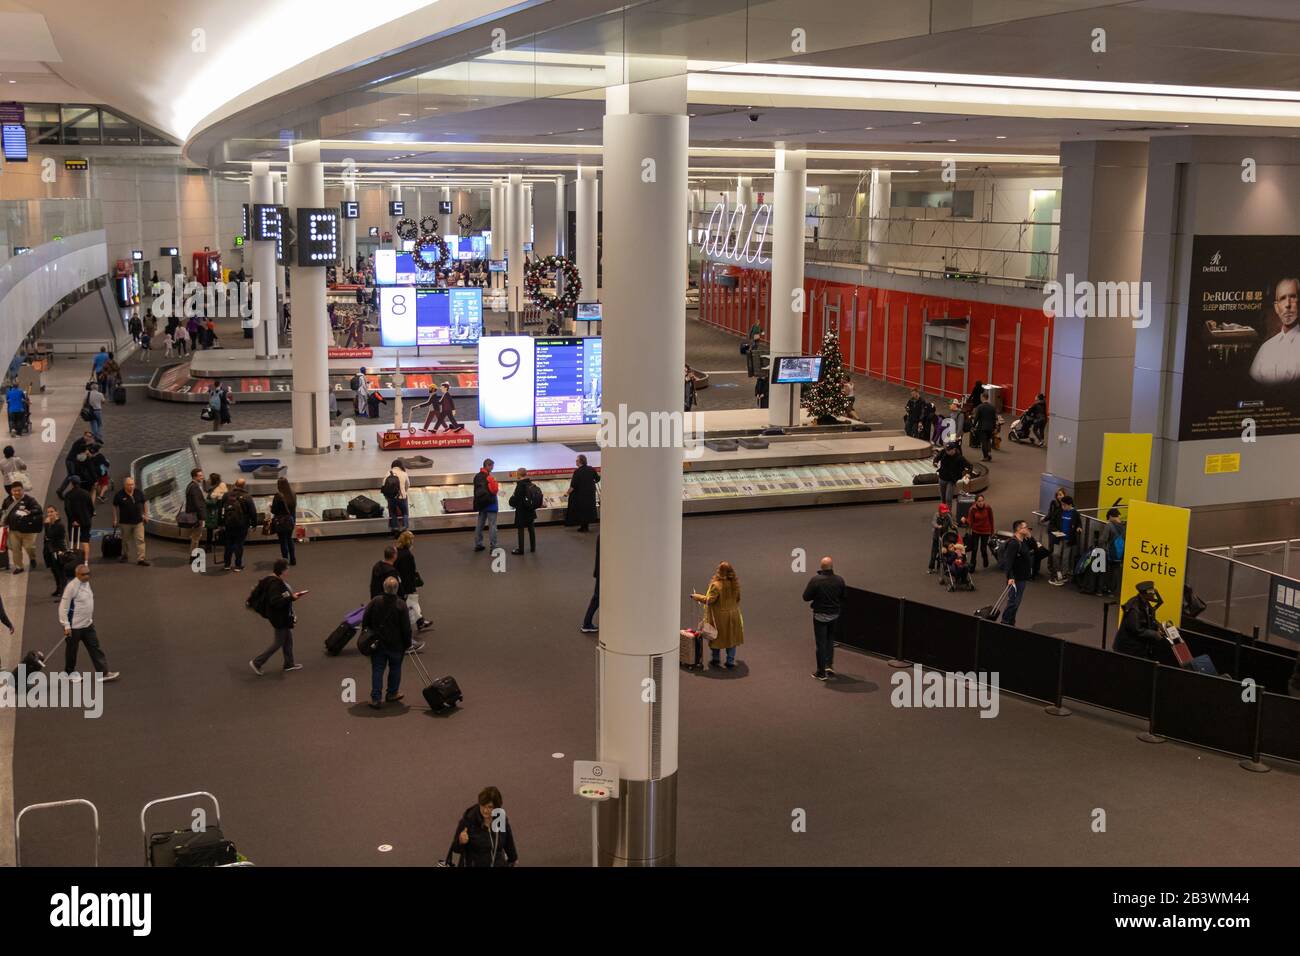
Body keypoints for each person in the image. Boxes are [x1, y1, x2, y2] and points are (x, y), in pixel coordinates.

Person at [59, 564, 119, 682]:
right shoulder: (71, 587)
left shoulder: (86, 583)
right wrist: (66, 625)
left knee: (95, 648)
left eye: (88, 574)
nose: (87, 576)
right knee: (72, 651)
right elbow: (63, 607)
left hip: (87, 625)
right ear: (77, 575)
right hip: (74, 627)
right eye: (83, 574)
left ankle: (103, 673)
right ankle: (69, 673)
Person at [249, 559, 307, 676]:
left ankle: (289, 663)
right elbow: (275, 601)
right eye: (287, 569)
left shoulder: (271, 579)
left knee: (288, 639)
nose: (288, 571)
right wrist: (292, 598)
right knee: (279, 642)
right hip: (279, 618)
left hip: (279, 616)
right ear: (283, 571)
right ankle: (257, 662)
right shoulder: (276, 584)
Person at [363, 575, 412, 709]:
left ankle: (375, 699)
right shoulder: (401, 604)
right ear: (396, 589)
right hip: (396, 645)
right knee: (395, 668)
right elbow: (406, 627)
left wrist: (368, 634)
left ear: (384, 587)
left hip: (378, 644)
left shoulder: (375, 601)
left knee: (378, 670)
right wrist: (408, 643)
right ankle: (392, 693)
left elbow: (365, 619)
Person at [444, 786, 518, 867]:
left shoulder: (501, 819)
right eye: (483, 806)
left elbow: (508, 844)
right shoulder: (469, 820)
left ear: (497, 807)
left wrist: (513, 860)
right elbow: (456, 849)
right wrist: (460, 841)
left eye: (490, 807)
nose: (485, 810)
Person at [691, 560, 744, 669]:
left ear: (719, 571)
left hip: (720, 617)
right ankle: (730, 660)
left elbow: (709, 600)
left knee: (715, 637)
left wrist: (696, 597)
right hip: (734, 615)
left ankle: (716, 659)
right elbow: (738, 599)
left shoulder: (716, 585)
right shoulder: (735, 584)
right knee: (731, 638)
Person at [1250, 276, 1300, 385]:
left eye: (1293, 297)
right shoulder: (1266, 348)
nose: (1287, 305)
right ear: (1277, 308)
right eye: (1282, 298)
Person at [803, 556, 845, 682]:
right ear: (832, 567)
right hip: (834, 614)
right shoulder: (839, 580)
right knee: (830, 639)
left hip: (820, 616)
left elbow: (806, 597)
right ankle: (829, 665)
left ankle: (821, 673)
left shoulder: (816, 580)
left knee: (821, 644)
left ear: (821, 567)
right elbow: (844, 596)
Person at [1113, 580, 1172, 662]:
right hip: (1128, 648)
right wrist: (1154, 634)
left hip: (1138, 646)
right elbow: (1137, 630)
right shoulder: (1134, 609)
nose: (1154, 594)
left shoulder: (1145, 602)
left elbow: (1150, 618)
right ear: (1145, 594)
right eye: (1151, 592)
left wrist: (1158, 626)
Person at [997, 520, 1036, 628]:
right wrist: (1010, 577)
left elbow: (1035, 548)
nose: (1027, 528)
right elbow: (1009, 562)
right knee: (1013, 602)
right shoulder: (1014, 544)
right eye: (1025, 527)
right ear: (1018, 529)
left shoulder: (1024, 541)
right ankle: (1005, 622)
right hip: (1015, 578)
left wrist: (1030, 536)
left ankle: (1011, 623)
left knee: (1016, 602)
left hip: (1022, 577)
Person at [394, 530, 433, 634]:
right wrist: (411, 586)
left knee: (412, 602)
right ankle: (418, 622)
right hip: (406, 584)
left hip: (399, 582)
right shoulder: (407, 555)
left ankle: (420, 621)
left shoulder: (397, 551)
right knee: (412, 601)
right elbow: (409, 572)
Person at [111, 475, 150, 566]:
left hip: (138, 522)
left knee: (140, 540)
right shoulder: (119, 495)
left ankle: (141, 559)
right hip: (125, 522)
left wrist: (146, 515)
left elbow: (144, 503)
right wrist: (115, 519)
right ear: (124, 485)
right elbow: (114, 506)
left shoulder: (138, 492)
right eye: (129, 485)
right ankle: (125, 555)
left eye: (132, 484)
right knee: (125, 540)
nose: (131, 486)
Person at [3, 481, 42, 572]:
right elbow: (3, 510)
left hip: (27, 531)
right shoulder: (8, 500)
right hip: (13, 530)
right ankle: (19, 567)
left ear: (23, 490)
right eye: (14, 491)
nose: (17, 492)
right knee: (15, 549)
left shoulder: (30, 500)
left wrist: (30, 512)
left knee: (29, 547)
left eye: (19, 490)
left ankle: (32, 558)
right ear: (11, 491)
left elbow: (38, 509)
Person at [220, 477, 257, 572]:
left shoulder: (227, 495)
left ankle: (227, 565)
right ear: (244, 486)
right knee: (239, 544)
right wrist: (254, 524)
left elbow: (220, 509)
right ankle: (238, 565)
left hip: (228, 524)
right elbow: (252, 511)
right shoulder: (247, 496)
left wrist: (220, 523)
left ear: (235, 484)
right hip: (242, 524)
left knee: (228, 544)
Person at [1046, 495, 1079, 586]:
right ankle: (1057, 572)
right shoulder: (1059, 512)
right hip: (1058, 538)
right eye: (1062, 505)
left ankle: (1063, 575)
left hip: (1068, 539)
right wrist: (1055, 530)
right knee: (1055, 554)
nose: (1062, 507)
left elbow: (1078, 523)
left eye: (1064, 505)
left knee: (1065, 558)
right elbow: (1052, 523)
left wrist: (1079, 528)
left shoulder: (1075, 513)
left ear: (1070, 505)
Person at [563, 454, 599, 533]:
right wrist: (591, 483)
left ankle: (583, 527)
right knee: (588, 510)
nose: (575, 462)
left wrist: (566, 494)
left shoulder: (577, 472)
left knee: (582, 510)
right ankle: (586, 526)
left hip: (581, 495)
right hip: (590, 495)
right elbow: (598, 478)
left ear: (580, 461)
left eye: (576, 460)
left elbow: (573, 486)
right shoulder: (591, 469)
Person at [63, 476, 94, 565]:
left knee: (74, 540)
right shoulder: (86, 493)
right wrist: (89, 516)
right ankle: (86, 561)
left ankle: (74, 561)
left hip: (74, 522)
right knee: (85, 541)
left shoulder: (68, 495)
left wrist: (73, 520)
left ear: (72, 483)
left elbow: (67, 509)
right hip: (86, 520)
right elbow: (91, 507)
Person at [933, 440, 972, 508]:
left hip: (951, 480)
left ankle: (948, 514)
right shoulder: (943, 452)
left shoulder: (959, 458)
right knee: (943, 498)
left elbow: (969, 466)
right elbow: (937, 458)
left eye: (949, 450)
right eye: (947, 450)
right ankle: (943, 512)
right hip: (942, 478)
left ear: (954, 449)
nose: (947, 452)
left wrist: (968, 473)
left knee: (948, 498)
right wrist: (935, 462)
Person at [961, 493, 995, 570]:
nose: (981, 503)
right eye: (979, 501)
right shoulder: (972, 509)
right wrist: (965, 521)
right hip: (976, 531)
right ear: (976, 502)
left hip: (986, 531)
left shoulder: (988, 508)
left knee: (983, 549)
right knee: (974, 549)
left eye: (982, 501)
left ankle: (985, 558)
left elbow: (991, 520)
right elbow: (970, 521)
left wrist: (992, 532)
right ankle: (972, 566)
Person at [472, 458, 499, 553]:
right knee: (492, 526)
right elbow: (494, 490)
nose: (492, 468)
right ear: (488, 466)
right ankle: (494, 547)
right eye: (492, 466)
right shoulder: (490, 477)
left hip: (481, 504)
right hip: (491, 504)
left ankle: (478, 544)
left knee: (480, 524)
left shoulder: (477, 476)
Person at [270, 477, 297, 565]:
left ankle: (285, 561)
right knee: (289, 539)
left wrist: (271, 507)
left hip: (281, 522)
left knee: (283, 541)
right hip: (291, 520)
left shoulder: (278, 495)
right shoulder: (293, 494)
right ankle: (293, 559)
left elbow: (274, 510)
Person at [42, 506, 69, 597]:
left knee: (60, 572)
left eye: (52, 512)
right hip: (50, 550)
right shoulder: (51, 524)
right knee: (54, 571)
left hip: (58, 550)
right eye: (48, 512)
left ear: (56, 512)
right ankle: (58, 589)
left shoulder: (59, 524)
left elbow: (50, 535)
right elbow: (47, 536)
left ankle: (63, 591)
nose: (49, 514)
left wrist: (46, 525)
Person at [182, 467, 207, 556]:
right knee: (196, 536)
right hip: (197, 516)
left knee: (195, 536)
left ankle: (193, 554)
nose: (202, 477)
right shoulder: (195, 487)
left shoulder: (190, 485)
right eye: (200, 476)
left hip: (193, 515)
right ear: (194, 477)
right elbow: (198, 503)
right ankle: (193, 556)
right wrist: (202, 517)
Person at [382, 459, 409, 536]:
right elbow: (408, 485)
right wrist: (404, 492)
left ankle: (395, 529)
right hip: (402, 497)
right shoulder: (404, 473)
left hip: (391, 497)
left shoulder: (388, 473)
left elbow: (383, 485)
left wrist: (387, 497)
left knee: (393, 513)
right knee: (405, 513)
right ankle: (405, 528)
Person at [928, 502, 957, 573]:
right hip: (937, 536)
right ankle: (931, 568)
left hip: (944, 537)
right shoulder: (936, 515)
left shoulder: (948, 516)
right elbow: (933, 522)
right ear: (940, 511)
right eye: (943, 512)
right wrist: (937, 526)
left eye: (946, 512)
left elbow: (951, 524)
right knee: (934, 553)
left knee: (943, 552)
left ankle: (941, 567)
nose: (945, 513)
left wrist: (953, 526)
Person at [204, 472, 227, 555]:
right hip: (218, 512)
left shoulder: (216, 490)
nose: (208, 480)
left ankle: (208, 546)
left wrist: (204, 501)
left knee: (209, 529)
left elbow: (213, 502)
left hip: (213, 513)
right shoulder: (219, 488)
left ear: (213, 480)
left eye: (210, 479)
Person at [971, 391, 997, 462]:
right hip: (990, 427)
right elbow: (994, 418)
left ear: (982, 397)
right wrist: (994, 427)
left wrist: (973, 426)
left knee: (984, 442)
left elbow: (976, 418)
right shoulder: (992, 407)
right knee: (988, 440)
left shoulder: (980, 407)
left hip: (982, 427)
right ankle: (989, 453)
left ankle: (985, 456)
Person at [581, 536, 600, 633]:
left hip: (601, 572)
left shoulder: (601, 536)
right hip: (604, 573)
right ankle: (587, 623)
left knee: (597, 597)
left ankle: (587, 623)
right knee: (597, 598)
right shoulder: (606, 538)